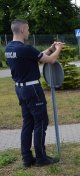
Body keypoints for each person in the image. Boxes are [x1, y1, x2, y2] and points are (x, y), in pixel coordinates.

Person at [5, 19, 64, 167]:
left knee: (28, 123)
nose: (29, 32)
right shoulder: (25, 48)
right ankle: (41, 157)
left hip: (20, 89)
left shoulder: (9, 49)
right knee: (41, 122)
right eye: (28, 29)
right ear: (23, 30)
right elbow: (50, 60)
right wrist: (58, 49)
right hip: (32, 89)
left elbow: (37, 56)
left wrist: (50, 48)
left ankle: (27, 158)